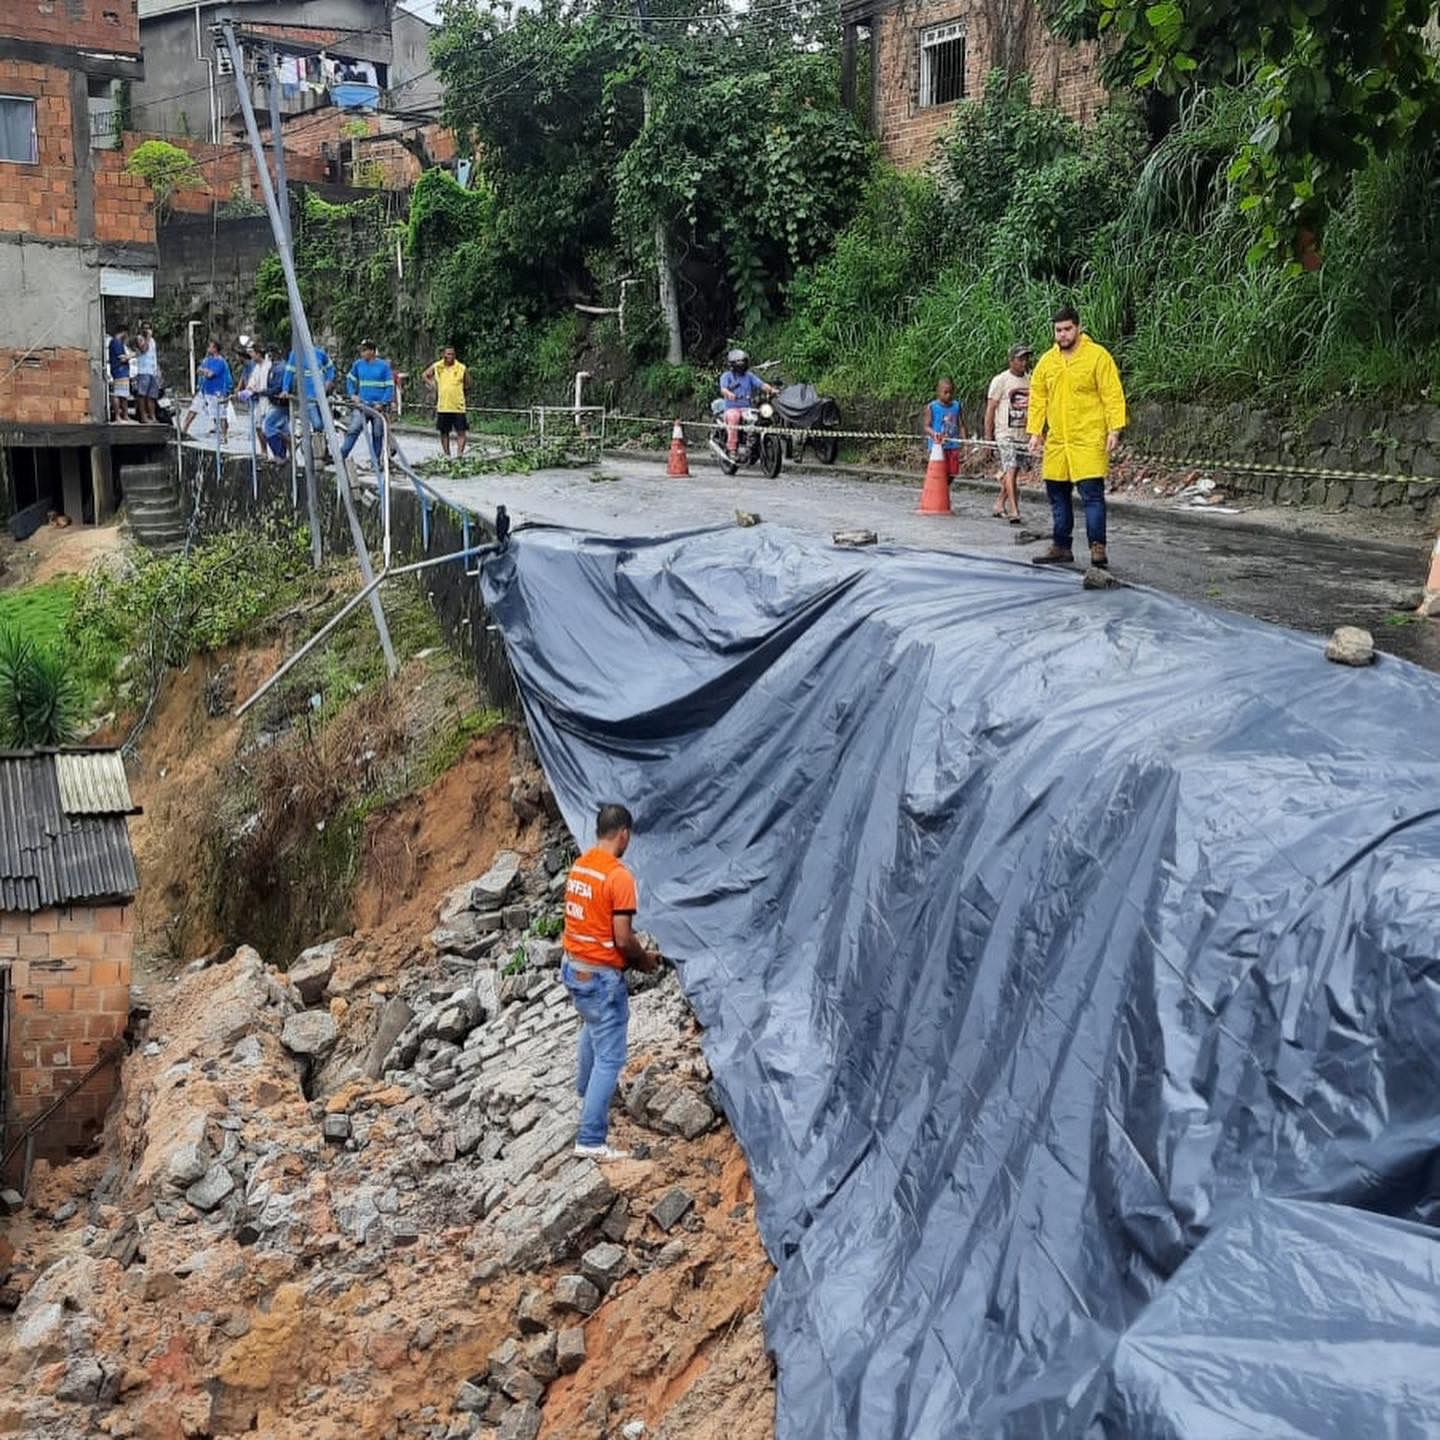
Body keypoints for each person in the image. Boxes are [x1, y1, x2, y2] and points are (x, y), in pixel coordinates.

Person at [561, 803, 660, 1161]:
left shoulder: (581, 866)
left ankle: (587, 1092)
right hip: (601, 977)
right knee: (611, 1056)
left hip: (574, 968)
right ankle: (590, 1139)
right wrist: (644, 959)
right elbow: (622, 938)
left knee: (593, 1026)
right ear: (624, 835)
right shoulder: (619, 877)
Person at [1027, 305, 1126, 569]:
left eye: (1068, 329)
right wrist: (1036, 432)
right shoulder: (1047, 362)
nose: (1063, 335)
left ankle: (1097, 547)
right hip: (1058, 441)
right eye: (1058, 330)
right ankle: (1061, 546)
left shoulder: (1097, 357)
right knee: (1057, 494)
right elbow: (1038, 398)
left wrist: (1114, 428)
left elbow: (1111, 394)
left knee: (1092, 495)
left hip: (1088, 439)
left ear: (1078, 328)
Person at [985, 343, 1033, 524]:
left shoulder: (1030, 380)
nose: (1024, 362)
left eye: (1026, 358)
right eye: (1020, 358)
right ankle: (1014, 509)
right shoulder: (1001, 380)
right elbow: (990, 409)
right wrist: (988, 438)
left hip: (1023, 434)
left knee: (1014, 470)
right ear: (1011, 360)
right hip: (1005, 433)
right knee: (1011, 468)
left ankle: (999, 503)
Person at [340, 339, 396, 468]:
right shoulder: (358, 365)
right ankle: (341, 455)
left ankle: (375, 462)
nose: (362, 353)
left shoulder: (383, 366)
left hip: (378, 407)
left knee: (378, 433)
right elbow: (350, 379)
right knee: (353, 429)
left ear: (372, 351)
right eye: (361, 350)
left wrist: (383, 403)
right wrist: (352, 394)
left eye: (365, 350)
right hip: (362, 406)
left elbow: (389, 386)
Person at [280, 343, 336, 466]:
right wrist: (285, 389)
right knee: (317, 424)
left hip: (322, 397)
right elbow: (288, 373)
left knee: (324, 425)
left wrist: (329, 380)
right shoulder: (295, 354)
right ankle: (316, 451)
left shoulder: (320, 353)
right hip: (307, 397)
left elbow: (330, 368)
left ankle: (322, 452)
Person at [718, 348, 775, 457]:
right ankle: (732, 448)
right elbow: (723, 389)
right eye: (739, 362)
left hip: (747, 408)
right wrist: (729, 394)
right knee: (734, 418)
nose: (741, 365)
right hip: (732, 408)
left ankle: (753, 443)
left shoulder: (749, 376)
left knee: (758, 419)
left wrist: (771, 390)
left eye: (743, 362)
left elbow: (761, 384)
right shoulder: (726, 376)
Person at [180, 339, 232, 444]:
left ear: (215, 349)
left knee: (220, 415)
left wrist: (204, 371)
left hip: (216, 391)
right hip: (204, 390)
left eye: (211, 347)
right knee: (193, 410)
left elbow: (211, 374)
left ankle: (224, 436)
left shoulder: (221, 362)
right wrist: (204, 372)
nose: (208, 348)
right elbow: (199, 370)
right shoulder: (206, 360)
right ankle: (183, 430)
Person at [423, 346, 469, 457]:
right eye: (448, 354)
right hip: (443, 405)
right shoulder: (438, 366)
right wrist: (432, 385)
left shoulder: (461, 367)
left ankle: (459, 455)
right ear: (443, 355)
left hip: (458, 405)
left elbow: (468, 384)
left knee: (461, 431)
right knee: (444, 432)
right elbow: (425, 375)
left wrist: (463, 395)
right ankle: (447, 455)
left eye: (452, 354)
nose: (450, 356)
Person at [923, 377, 967, 483]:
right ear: (938, 392)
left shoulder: (957, 406)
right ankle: (939, 490)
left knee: (953, 471)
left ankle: (944, 488)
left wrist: (965, 442)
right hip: (938, 446)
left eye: (951, 392)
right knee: (939, 470)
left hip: (953, 445)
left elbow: (961, 425)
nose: (948, 395)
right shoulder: (932, 407)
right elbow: (926, 426)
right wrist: (934, 434)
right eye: (945, 392)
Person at [132, 325, 161, 424]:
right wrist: (147, 338)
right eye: (145, 328)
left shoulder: (153, 341)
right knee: (142, 395)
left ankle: (152, 416)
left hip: (152, 371)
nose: (147, 330)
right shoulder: (140, 338)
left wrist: (157, 369)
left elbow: (154, 355)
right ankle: (143, 417)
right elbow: (144, 349)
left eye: (149, 328)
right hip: (143, 371)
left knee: (152, 396)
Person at [108, 323, 131, 423]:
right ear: (124, 332)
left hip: (123, 371)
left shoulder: (119, 343)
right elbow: (121, 358)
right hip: (119, 371)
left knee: (124, 395)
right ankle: (118, 416)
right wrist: (133, 355)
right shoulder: (116, 342)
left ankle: (125, 416)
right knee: (117, 394)